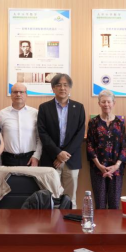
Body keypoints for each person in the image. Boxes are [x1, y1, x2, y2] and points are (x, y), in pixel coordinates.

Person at [37, 73, 86, 208]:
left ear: (70, 88)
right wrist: (57, 153)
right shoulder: (44, 108)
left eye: (65, 85)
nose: (62, 88)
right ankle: (51, 221)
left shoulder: (79, 107)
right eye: (58, 85)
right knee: (50, 197)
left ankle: (70, 220)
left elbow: (80, 134)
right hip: (51, 159)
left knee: (70, 198)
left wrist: (64, 155)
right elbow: (42, 133)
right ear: (53, 88)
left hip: (71, 159)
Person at [86, 89, 126, 209]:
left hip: (116, 170)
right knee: (100, 204)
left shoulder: (120, 123)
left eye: (109, 102)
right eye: (103, 102)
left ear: (114, 103)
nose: (106, 104)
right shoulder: (93, 122)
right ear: (99, 103)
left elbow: (124, 147)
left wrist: (116, 166)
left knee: (114, 204)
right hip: (98, 169)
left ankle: (113, 224)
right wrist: (99, 166)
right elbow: (89, 145)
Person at [0, 82, 42, 167]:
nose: (18, 94)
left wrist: (36, 156)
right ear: (11, 95)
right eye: (15, 92)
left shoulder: (35, 113)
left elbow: (39, 138)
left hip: (30, 159)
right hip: (8, 159)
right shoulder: (2, 114)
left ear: (26, 95)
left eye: (21, 92)